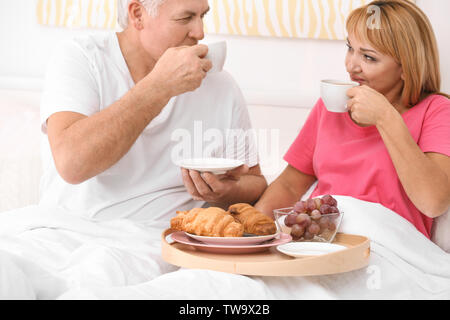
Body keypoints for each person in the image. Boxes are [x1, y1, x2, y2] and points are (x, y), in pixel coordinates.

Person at [39, 0, 267, 222]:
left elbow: (255, 182)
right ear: (138, 14)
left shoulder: (220, 85)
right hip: (70, 229)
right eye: (185, 18)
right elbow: (72, 164)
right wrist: (159, 87)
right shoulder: (81, 58)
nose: (200, 32)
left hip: (166, 240)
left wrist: (225, 191)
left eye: (202, 15)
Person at [255, 0, 450, 239]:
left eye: (368, 57)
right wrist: (251, 230)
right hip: (321, 241)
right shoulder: (331, 107)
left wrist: (385, 117)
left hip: (389, 248)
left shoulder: (436, 110)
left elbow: (434, 202)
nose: (351, 66)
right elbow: (289, 185)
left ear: (405, 68)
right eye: (350, 48)